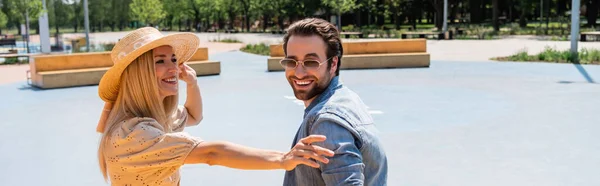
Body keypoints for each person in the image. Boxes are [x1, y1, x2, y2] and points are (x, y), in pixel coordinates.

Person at [95, 27, 334, 186]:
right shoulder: (135, 134)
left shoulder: (157, 118)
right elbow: (212, 154)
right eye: (160, 61)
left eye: (174, 59)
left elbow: (193, 116)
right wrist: (283, 159)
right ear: (140, 73)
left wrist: (192, 83)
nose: (173, 68)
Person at [280, 18, 388, 185]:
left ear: (333, 63)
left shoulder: (326, 122)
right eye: (291, 61)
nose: (299, 73)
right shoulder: (346, 98)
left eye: (311, 62)